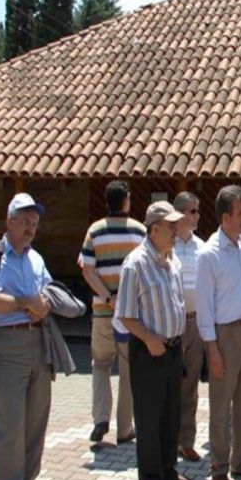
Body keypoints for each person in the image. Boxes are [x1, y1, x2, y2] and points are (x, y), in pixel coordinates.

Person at [0, 193, 54, 480]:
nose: (31, 228)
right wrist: (27, 302)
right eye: (25, 222)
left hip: (40, 344)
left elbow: (47, 293)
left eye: (34, 223)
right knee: (11, 427)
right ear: (9, 221)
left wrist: (42, 304)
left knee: (35, 425)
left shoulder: (36, 258)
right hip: (9, 344)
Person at [196, 185, 241, 480]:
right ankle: (219, 469)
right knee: (221, 405)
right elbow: (204, 306)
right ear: (225, 218)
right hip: (223, 337)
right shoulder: (208, 254)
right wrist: (211, 349)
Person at [115, 201, 188, 480]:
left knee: (170, 416)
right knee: (149, 419)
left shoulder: (173, 261)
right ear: (154, 229)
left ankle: (169, 471)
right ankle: (151, 477)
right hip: (148, 352)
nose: (176, 230)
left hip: (173, 349)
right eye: (171, 226)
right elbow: (125, 314)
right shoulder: (135, 264)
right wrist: (148, 338)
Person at [78, 180, 144, 444]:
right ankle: (125, 428)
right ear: (127, 200)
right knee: (128, 373)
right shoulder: (140, 232)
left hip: (103, 313)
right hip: (130, 317)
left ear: (107, 201)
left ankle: (100, 419)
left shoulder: (94, 231)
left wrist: (107, 297)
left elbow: (87, 269)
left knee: (100, 365)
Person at [172, 192, 205, 462]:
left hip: (195, 324)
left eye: (197, 211)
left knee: (190, 385)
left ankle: (187, 441)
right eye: (192, 211)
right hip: (171, 326)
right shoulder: (165, 246)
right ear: (180, 213)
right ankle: (168, 442)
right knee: (170, 384)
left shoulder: (202, 247)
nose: (196, 216)